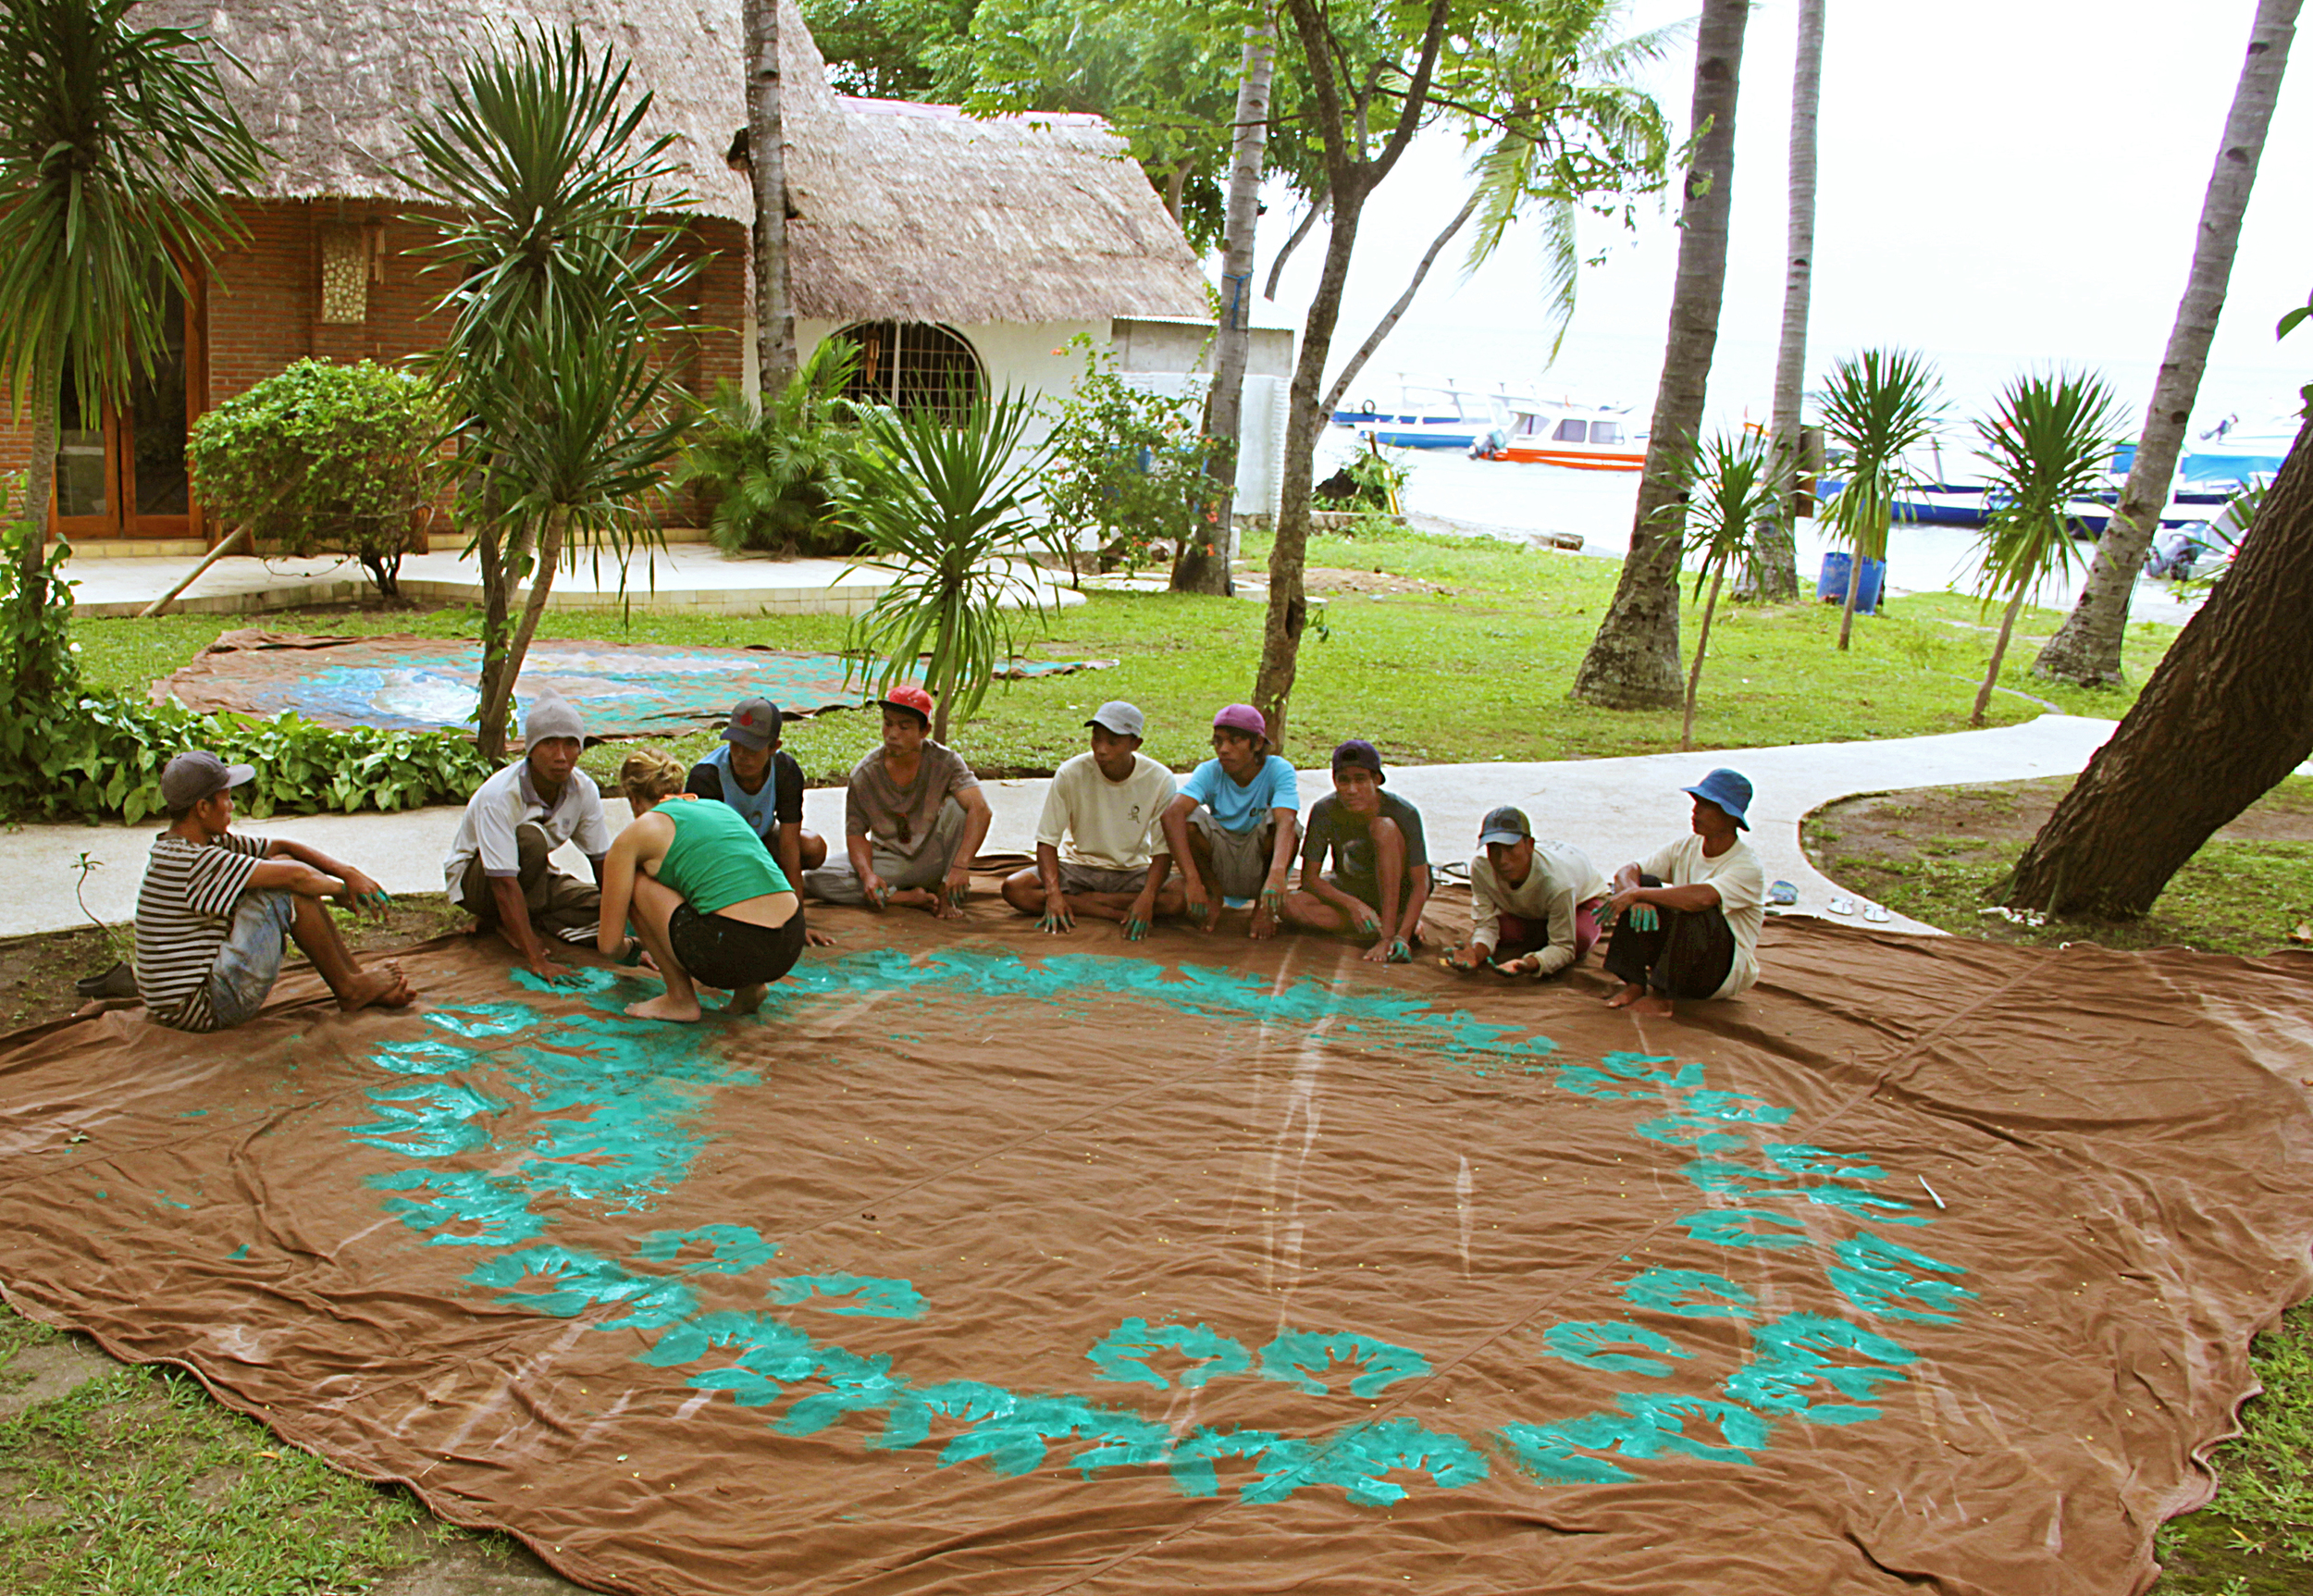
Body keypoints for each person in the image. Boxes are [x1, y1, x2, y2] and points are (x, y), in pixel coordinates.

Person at [135, 750, 414, 1031]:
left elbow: (282, 848)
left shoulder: (199, 843)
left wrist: (347, 873)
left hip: (187, 999)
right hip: (202, 1007)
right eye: (227, 798)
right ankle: (350, 988)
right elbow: (294, 878)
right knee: (284, 890)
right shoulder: (193, 861)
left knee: (283, 872)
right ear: (203, 808)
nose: (232, 806)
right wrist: (343, 890)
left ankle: (355, 981)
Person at [598, 749, 807, 1023]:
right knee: (715, 884)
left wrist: (635, 948)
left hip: (730, 947)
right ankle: (749, 988)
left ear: (634, 800)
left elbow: (609, 945)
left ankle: (679, 998)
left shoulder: (638, 833)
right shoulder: (718, 808)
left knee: (637, 880)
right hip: (790, 941)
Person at [442, 696, 614, 981]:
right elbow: (503, 883)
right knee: (531, 838)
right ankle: (512, 924)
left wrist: (627, 937)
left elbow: (602, 864)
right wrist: (535, 958)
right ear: (530, 750)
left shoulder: (584, 789)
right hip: (481, 883)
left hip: (535, 879)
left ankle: (521, 920)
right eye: (549, 744)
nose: (561, 756)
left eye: (570, 744)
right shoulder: (498, 796)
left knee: (602, 905)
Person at [800, 684, 994, 918]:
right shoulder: (865, 773)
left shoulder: (946, 762)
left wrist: (960, 866)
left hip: (936, 858)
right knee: (816, 879)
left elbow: (981, 810)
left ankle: (944, 892)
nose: (892, 734)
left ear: (925, 731)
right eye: (888, 723)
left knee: (959, 808)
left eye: (904, 727)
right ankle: (902, 897)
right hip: (891, 860)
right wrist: (867, 876)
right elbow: (856, 833)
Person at [1001, 701, 1184, 938]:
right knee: (1015, 888)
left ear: (1135, 744)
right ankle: (1115, 913)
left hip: (1133, 871)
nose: (1101, 749)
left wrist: (1147, 896)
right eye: (1096, 738)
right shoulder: (1071, 772)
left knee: (1181, 897)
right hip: (1079, 868)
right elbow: (1047, 841)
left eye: (1113, 742)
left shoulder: (1160, 779)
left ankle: (1087, 904)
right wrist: (1054, 893)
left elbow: (1162, 850)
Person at [1601, 769, 1767, 1017]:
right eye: (1697, 803)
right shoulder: (1686, 847)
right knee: (1644, 884)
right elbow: (1629, 870)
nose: (1695, 811)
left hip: (1720, 971)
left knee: (1695, 908)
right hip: (1682, 958)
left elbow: (1702, 898)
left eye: (1707, 806)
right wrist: (1636, 895)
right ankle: (1635, 982)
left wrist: (1637, 895)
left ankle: (1662, 996)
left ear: (1731, 817)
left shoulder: (1746, 866)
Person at [686, 696, 834, 947]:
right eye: (735, 745)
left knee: (812, 847)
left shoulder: (786, 771)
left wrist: (797, 923)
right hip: (719, 855)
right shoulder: (706, 777)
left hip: (760, 841)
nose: (741, 756)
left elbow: (789, 848)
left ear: (774, 746)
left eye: (752, 748)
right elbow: (705, 853)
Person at [1157, 704, 1300, 939]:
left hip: (1258, 861)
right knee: (1186, 819)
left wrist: (1277, 873)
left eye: (1235, 741)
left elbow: (1287, 820)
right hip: (1221, 862)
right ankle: (1214, 893)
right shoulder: (1210, 771)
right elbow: (1171, 814)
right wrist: (1193, 881)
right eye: (1218, 741)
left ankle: (1262, 907)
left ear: (1257, 744)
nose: (1223, 750)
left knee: (1287, 825)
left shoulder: (1278, 769)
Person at [1282, 739, 1429, 963]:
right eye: (1344, 781)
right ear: (1334, 782)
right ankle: (1378, 925)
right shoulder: (1325, 810)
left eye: (1360, 780)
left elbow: (1421, 883)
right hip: (1353, 892)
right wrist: (1354, 905)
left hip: (1397, 894)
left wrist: (1398, 937)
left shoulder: (1404, 812)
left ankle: (1390, 931)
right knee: (1289, 906)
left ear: (1376, 780)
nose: (1352, 790)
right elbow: (1310, 878)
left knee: (1384, 828)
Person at [1441, 806, 1609, 979]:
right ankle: (1542, 931)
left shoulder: (1558, 882)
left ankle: (1548, 931)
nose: (1502, 860)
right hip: (1533, 910)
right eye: (1494, 849)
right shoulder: (1482, 866)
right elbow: (1486, 923)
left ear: (1529, 845)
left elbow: (1564, 946)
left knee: (1579, 939)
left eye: (1510, 848)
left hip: (1582, 902)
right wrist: (1477, 953)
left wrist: (1532, 963)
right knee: (1503, 933)